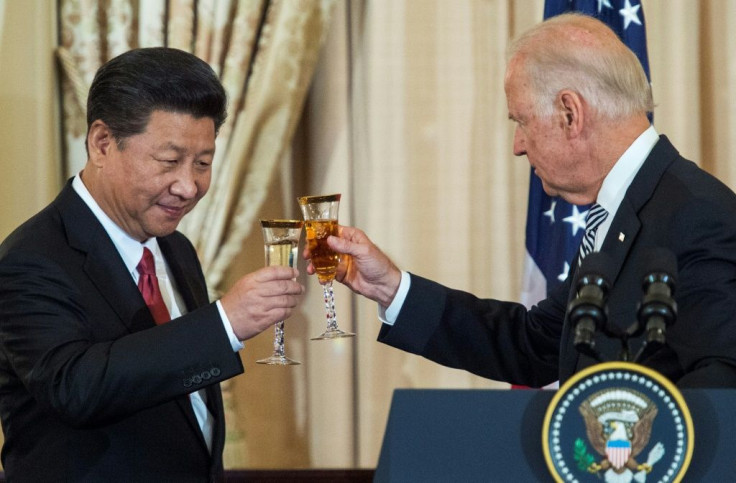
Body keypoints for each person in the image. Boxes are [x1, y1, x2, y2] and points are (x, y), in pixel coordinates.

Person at [304, 13, 736, 389]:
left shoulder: (697, 215)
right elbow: (535, 343)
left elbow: (719, 392)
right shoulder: (626, 205)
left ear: (570, 113)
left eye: (522, 121)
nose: (517, 145)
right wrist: (391, 287)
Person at [0, 47, 304, 482]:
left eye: (203, 163)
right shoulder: (32, 258)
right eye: (169, 162)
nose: (188, 186)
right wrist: (224, 325)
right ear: (102, 143)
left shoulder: (176, 248)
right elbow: (75, 388)